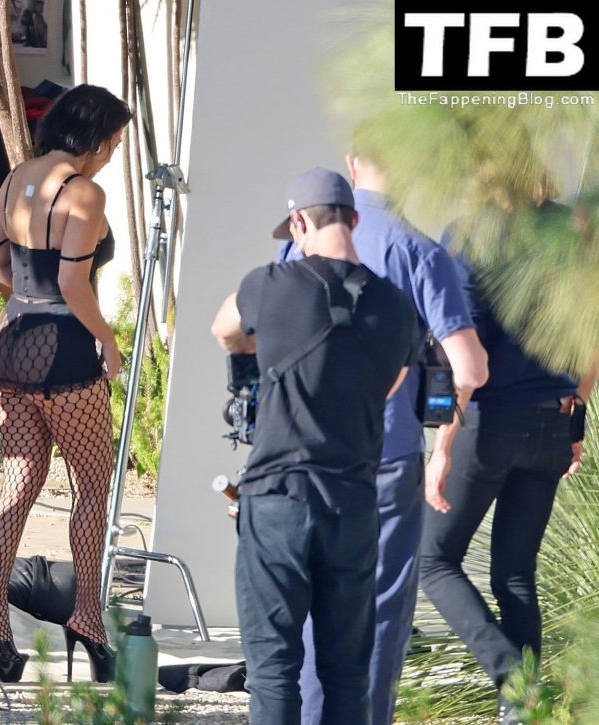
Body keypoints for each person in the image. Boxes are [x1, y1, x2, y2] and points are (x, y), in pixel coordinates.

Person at [285, 138, 489, 725]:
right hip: (386, 454)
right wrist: (440, 423)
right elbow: (470, 368)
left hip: (306, 450)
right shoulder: (420, 250)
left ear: (353, 165)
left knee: (314, 598)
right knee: (377, 608)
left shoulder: (297, 242)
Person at [212, 167, 419, 725]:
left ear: (300, 222)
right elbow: (392, 384)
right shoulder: (398, 309)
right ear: (354, 220)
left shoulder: (269, 284)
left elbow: (223, 328)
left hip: (278, 500)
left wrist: (262, 356)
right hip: (354, 505)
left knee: (275, 670)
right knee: (347, 673)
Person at [0, 84, 130, 683]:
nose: (113, 153)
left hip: (10, 344)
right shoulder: (83, 192)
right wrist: (107, 339)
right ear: (95, 138)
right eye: (114, 141)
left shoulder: (15, 179)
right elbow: (72, 284)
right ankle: (87, 618)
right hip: (63, 349)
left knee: (18, 481)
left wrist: (24, 304)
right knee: (92, 486)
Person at [419, 214, 596, 724]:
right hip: (550, 424)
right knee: (515, 573)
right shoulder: (570, 231)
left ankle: (517, 682)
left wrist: (442, 447)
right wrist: (575, 419)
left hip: (488, 423)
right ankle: (522, 711)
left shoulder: (473, 232)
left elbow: (463, 353)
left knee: (433, 560)